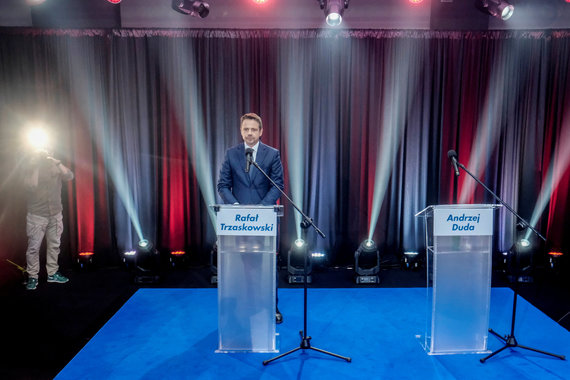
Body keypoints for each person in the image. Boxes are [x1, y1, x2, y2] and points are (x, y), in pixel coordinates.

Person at [217, 112, 285, 323]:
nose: (249, 133)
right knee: (244, 266)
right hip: (238, 223)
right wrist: (237, 207)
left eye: (253, 129)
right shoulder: (231, 154)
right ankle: (248, 305)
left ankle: (271, 307)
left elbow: (277, 185)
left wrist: (261, 209)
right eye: (245, 129)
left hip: (264, 221)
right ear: (241, 131)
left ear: (261, 132)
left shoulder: (272, 154)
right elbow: (223, 185)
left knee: (267, 266)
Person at [23, 150, 74, 290]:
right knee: (33, 248)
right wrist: (36, 166)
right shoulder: (30, 166)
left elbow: (69, 176)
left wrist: (57, 162)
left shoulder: (55, 165)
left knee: (54, 245)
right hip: (37, 215)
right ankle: (33, 277)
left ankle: (52, 274)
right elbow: (31, 186)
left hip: (55, 214)